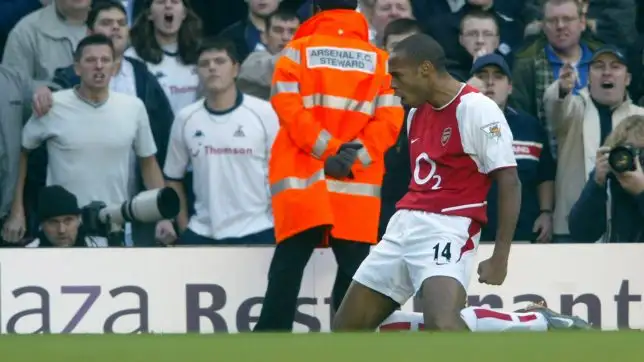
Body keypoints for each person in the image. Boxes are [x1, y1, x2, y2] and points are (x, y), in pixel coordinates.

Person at [332, 33, 588, 332]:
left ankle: (535, 322)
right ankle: (530, 320)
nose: (392, 84)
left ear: (425, 69)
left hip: (449, 226)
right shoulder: (415, 113)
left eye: (398, 75)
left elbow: (509, 180)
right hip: (404, 225)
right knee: (346, 330)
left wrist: (500, 256)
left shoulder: (478, 109)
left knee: (442, 324)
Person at [253, 0, 404, 331]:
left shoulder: (297, 52)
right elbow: (390, 120)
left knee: (288, 267)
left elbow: (287, 106)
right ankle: (349, 344)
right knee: (354, 272)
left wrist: (329, 152)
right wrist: (351, 158)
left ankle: (267, 343)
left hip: (305, 178)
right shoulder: (381, 61)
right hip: (356, 183)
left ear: (317, 7)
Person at [1, 34, 176, 246]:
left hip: (115, 224)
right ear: (77, 68)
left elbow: (148, 163)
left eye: (105, 60)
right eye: (91, 60)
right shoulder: (53, 106)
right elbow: (23, 152)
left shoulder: (134, 107)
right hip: (62, 228)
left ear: (114, 67)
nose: (99, 66)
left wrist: (163, 216)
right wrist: (17, 210)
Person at [163, 38, 279, 245]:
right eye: (204, 64)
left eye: (220, 61)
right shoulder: (185, 118)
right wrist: (183, 226)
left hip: (259, 228)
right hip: (202, 232)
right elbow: (173, 177)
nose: (212, 68)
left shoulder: (265, 113)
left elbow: (281, 171)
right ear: (197, 72)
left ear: (236, 69)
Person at [471, 54, 556, 243]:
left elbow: (545, 175)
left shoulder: (529, 126)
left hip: (521, 232)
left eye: (498, 76)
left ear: (510, 87)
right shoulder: (456, 123)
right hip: (468, 235)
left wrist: (546, 212)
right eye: (482, 75)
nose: (490, 82)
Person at [568, 115, 644, 243]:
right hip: (614, 259)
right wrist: (596, 184)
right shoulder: (609, 180)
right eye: (630, 151)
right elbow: (581, 234)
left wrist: (641, 192)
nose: (636, 159)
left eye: (642, 152)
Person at [25, 185, 108, 248]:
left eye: (68, 221)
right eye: (54, 222)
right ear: (42, 225)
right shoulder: (27, 255)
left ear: (79, 220)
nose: (62, 230)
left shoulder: (101, 247)